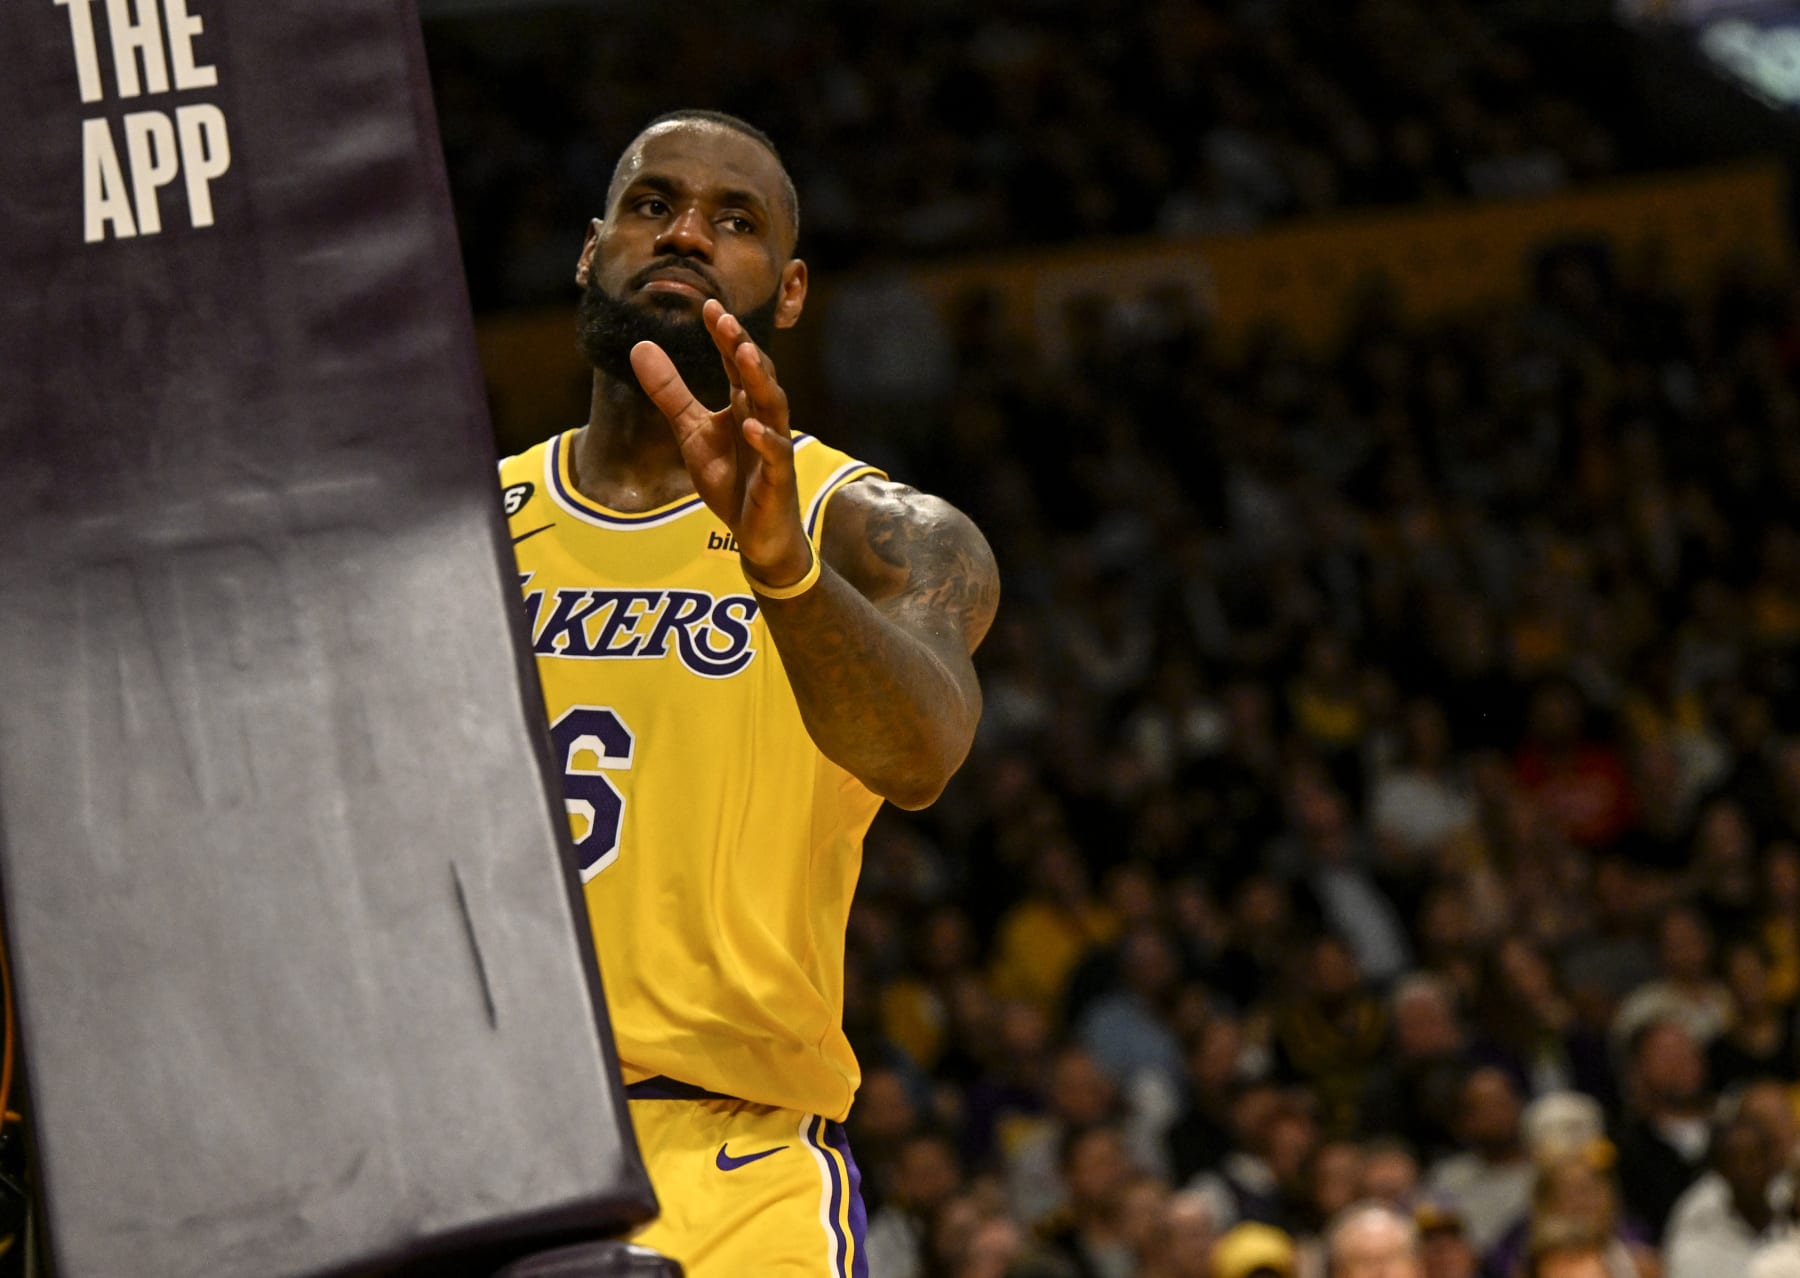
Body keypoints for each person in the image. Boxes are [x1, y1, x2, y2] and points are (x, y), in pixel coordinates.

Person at [499, 109, 999, 1275]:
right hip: (487, 1150)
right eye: (651, 204)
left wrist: (782, 566)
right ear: (590, 250)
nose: (685, 234)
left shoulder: (876, 533)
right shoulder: (468, 532)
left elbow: (923, 751)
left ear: (789, 290)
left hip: (735, 1159)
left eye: (735, 222)